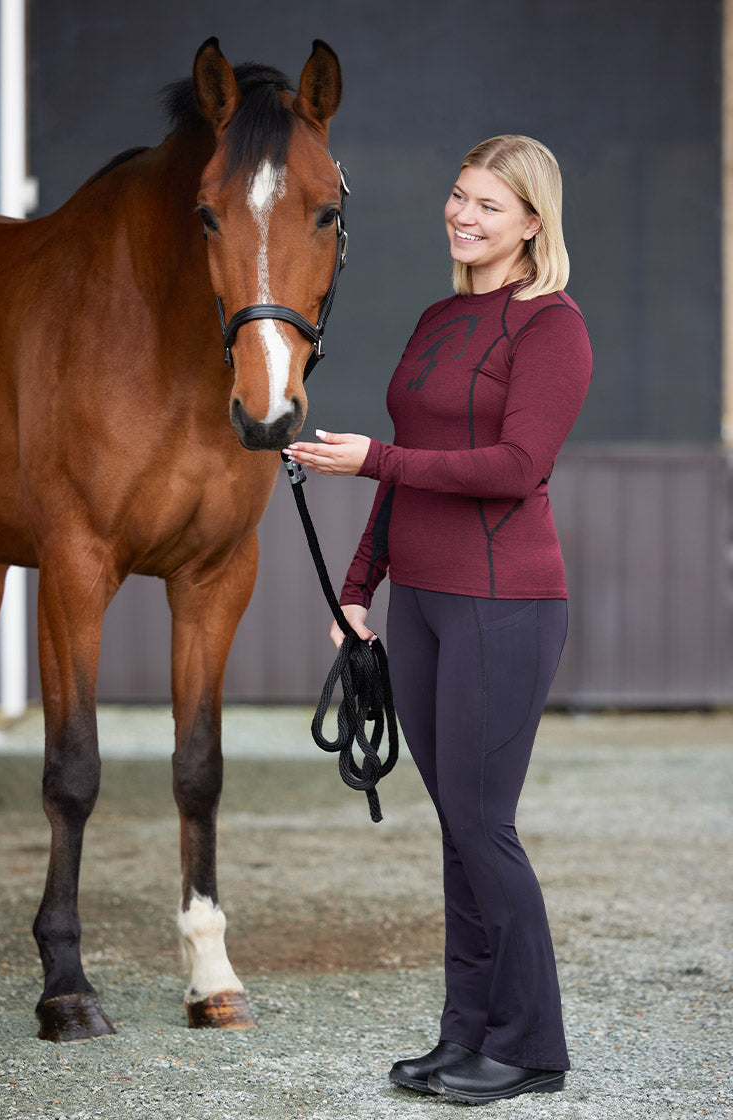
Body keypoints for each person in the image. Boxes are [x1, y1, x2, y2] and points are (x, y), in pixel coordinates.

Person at [286, 134, 592, 1105]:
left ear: (532, 223)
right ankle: (466, 1035)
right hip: (416, 601)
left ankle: (530, 1046)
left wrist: (371, 460)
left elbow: (513, 468)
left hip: (503, 602)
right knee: (456, 829)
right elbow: (411, 461)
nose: (462, 216)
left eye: (487, 206)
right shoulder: (438, 316)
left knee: (481, 824)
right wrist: (357, 584)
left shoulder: (550, 328)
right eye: (457, 197)